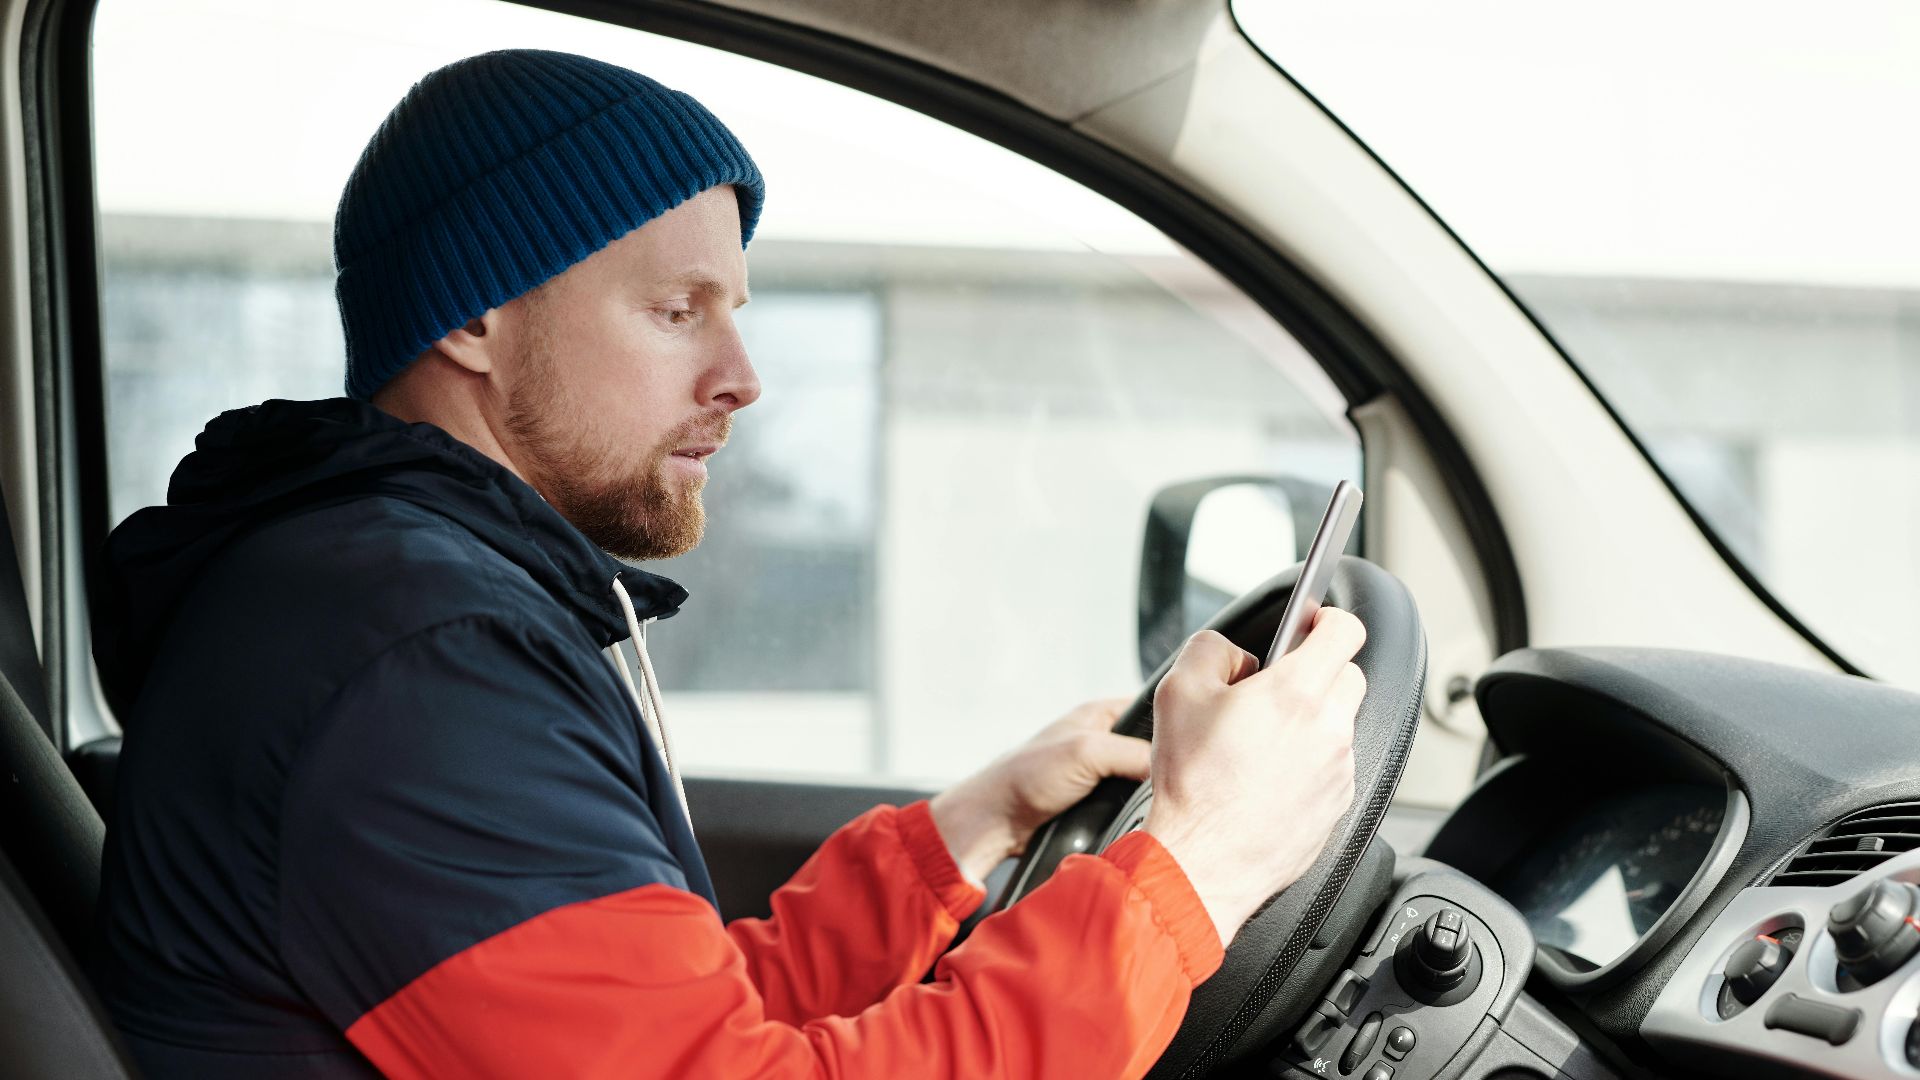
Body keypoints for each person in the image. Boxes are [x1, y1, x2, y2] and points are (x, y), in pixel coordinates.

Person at [90, 49, 1366, 1079]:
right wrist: (1202, 861)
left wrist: (977, 823)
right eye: (675, 310)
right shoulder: (414, 661)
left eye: (734, 313)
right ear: (476, 316)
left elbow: (658, 1022)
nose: (741, 379)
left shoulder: (393, 602)